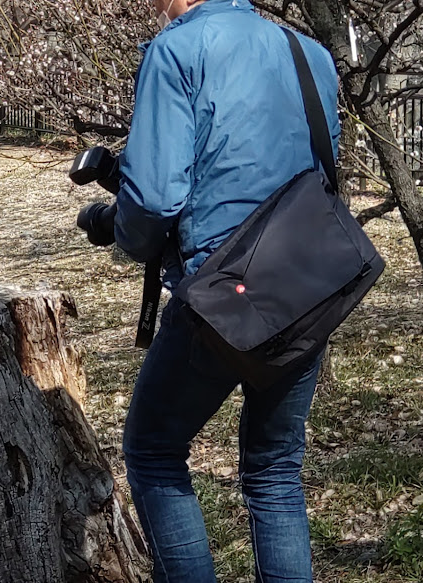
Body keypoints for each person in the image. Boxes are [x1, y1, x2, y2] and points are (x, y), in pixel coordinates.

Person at [106, 0, 340, 581]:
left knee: (154, 452)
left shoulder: (177, 50)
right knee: (275, 470)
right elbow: (323, 170)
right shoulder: (311, 54)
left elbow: (156, 199)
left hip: (223, 291)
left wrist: (117, 229)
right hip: (308, 286)